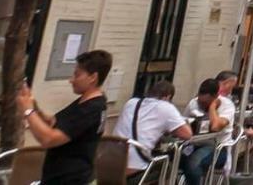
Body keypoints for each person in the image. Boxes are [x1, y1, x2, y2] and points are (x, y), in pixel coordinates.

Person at [17, 49, 112, 185]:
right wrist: (32, 103)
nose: (71, 80)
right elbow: (52, 122)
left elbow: (49, 139)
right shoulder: (83, 102)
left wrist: (28, 111)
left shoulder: (91, 109)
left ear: (93, 77)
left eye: (77, 75)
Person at [115, 80, 192, 182]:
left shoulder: (131, 103)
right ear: (168, 97)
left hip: (109, 168)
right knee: (167, 167)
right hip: (134, 173)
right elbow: (187, 134)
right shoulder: (166, 107)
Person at [181, 77, 234, 185]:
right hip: (193, 143)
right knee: (171, 158)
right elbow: (182, 123)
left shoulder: (227, 105)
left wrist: (212, 107)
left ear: (215, 97)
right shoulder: (194, 103)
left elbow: (215, 127)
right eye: (200, 101)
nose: (202, 105)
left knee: (193, 164)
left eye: (205, 103)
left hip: (217, 147)